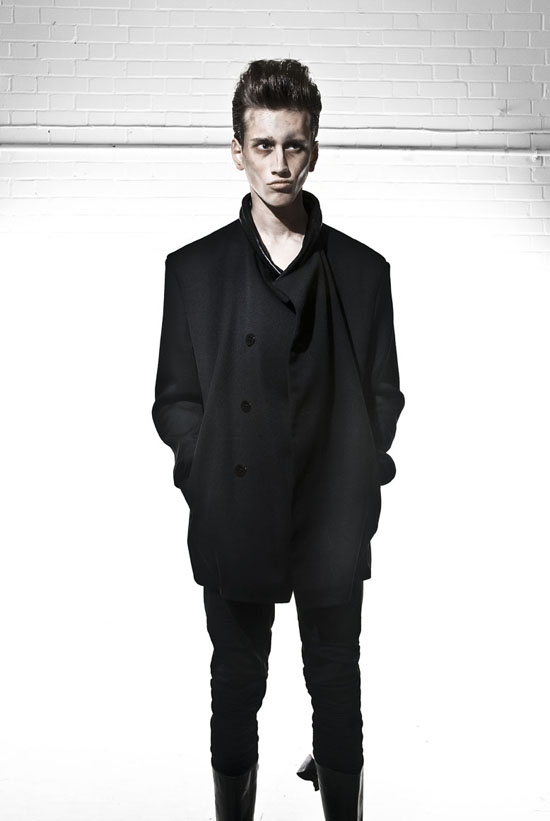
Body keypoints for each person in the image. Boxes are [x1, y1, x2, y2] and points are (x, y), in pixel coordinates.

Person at [152, 58, 405, 821]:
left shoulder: (362, 271)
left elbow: (385, 394)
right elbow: (175, 398)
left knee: (336, 684)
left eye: (294, 145)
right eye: (264, 145)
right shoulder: (193, 270)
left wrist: (356, 476)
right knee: (235, 687)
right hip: (233, 513)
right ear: (238, 151)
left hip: (329, 519)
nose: (280, 163)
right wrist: (202, 469)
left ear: (314, 149)